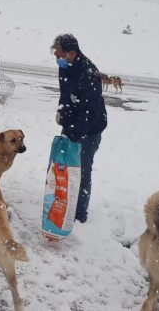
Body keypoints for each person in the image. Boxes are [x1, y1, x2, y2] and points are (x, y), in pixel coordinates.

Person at [52, 34, 108, 223]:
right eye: (55, 54)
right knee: (64, 169)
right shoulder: (66, 66)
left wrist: (73, 133)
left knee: (82, 172)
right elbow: (66, 94)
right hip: (72, 126)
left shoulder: (89, 73)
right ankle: (65, 204)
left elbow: (91, 113)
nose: (56, 58)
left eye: (59, 55)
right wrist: (62, 113)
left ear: (72, 53)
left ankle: (79, 215)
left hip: (89, 130)